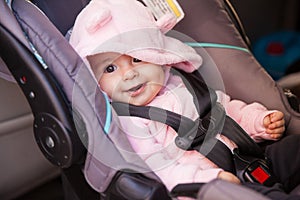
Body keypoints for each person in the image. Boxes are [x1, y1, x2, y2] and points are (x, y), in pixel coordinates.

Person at [69, 0, 300, 199]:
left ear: (159, 56)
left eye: (138, 59)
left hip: (250, 156)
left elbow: (225, 109)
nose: (129, 74)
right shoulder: (130, 124)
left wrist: (258, 121)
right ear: (96, 82)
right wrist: (209, 180)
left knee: (294, 147)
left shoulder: (183, 82)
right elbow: (160, 170)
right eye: (110, 68)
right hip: (213, 187)